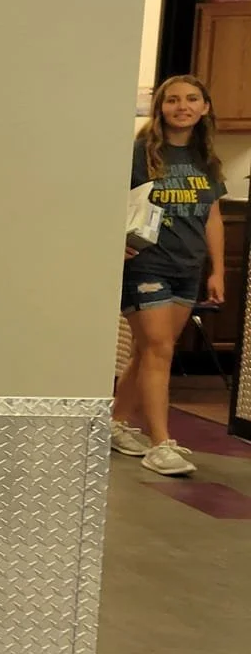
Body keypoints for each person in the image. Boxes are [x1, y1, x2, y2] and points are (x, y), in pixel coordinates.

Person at [111, 75, 228, 477]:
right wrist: (112, 242)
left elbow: (212, 216)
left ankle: (115, 423)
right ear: (160, 107)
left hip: (187, 268)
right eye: (173, 100)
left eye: (192, 99)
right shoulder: (140, 153)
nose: (183, 106)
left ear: (204, 107)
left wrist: (217, 271)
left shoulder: (205, 157)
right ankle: (160, 444)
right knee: (159, 350)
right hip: (147, 265)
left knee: (148, 351)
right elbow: (105, 199)